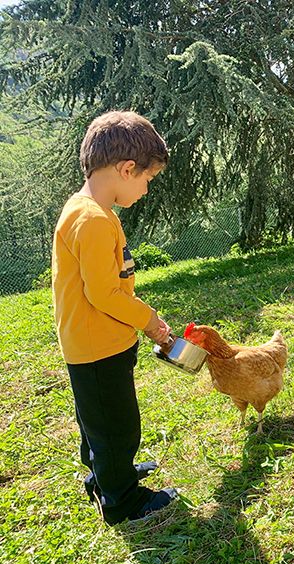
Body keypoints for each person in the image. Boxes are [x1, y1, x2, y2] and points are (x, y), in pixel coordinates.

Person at [52, 111, 178, 525]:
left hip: (90, 343)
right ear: (127, 169)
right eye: (147, 180)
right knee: (117, 427)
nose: (145, 189)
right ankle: (123, 500)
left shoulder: (85, 210)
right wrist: (150, 319)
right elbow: (103, 293)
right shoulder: (93, 221)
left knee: (96, 422)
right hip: (98, 345)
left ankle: (104, 478)